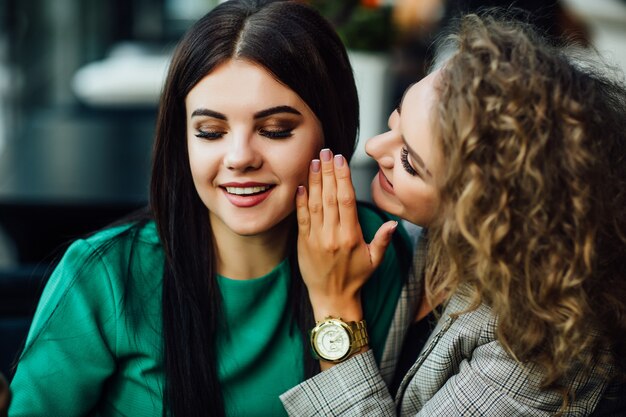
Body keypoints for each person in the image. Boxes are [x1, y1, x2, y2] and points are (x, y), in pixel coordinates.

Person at [8, 1, 411, 416]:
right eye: (210, 131)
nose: (239, 157)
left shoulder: (375, 253)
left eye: (275, 130)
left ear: (332, 129)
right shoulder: (104, 275)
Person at [281, 12, 626, 416]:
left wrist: (334, 307)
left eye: (410, 161)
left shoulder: (543, 349)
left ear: (488, 210)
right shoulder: (424, 234)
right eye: (397, 116)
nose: (375, 147)